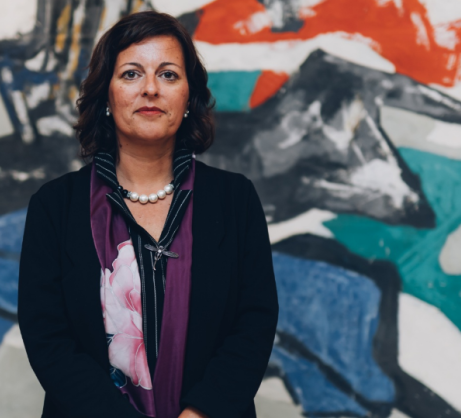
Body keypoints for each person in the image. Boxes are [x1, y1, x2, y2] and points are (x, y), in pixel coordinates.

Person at [17, 11, 279, 418]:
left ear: (188, 97)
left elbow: (255, 322)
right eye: (131, 74)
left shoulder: (235, 200)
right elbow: (47, 337)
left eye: (169, 75)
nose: (151, 89)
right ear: (106, 95)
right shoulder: (54, 206)